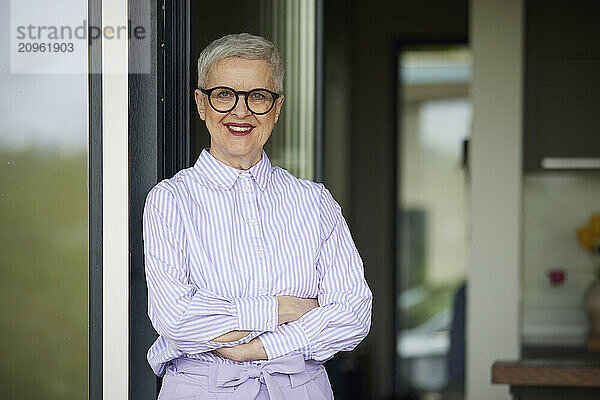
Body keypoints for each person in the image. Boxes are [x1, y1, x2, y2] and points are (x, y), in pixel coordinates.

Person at [142, 32, 372, 400]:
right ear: (201, 104)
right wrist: (282, 309)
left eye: (258, 96)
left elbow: (353, 315)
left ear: (277, 108)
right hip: (201, 389)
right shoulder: (170, 201)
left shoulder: (315, 202)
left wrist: (258, 348)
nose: (240, 111)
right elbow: (178, 320)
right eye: (224, 95)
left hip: (302, 389)